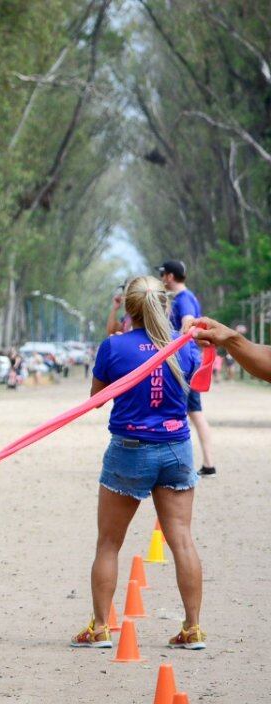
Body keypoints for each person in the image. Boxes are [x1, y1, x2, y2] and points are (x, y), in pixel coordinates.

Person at [72, 275, 205, 650]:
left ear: (128, 308)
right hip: (176, 448)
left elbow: (96, 399)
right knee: (182, 540)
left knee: (109, 544)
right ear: (166, 306)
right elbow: (191, 383)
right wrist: (183, 333)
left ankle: (100, 628)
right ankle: (193, 628)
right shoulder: (184, 348)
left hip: (129, 449)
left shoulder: (113, 347)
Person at [159, 259, 215, 476]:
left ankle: (185, 463)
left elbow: (189, 322)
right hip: (187, 361)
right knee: (193, 411)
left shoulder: (184, 299)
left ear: (170, 277)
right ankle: (207, 463)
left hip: (185, 363)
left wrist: (176, 344)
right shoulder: (184, 297)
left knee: (185, 412)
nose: (162, 279)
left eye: (163, 274)